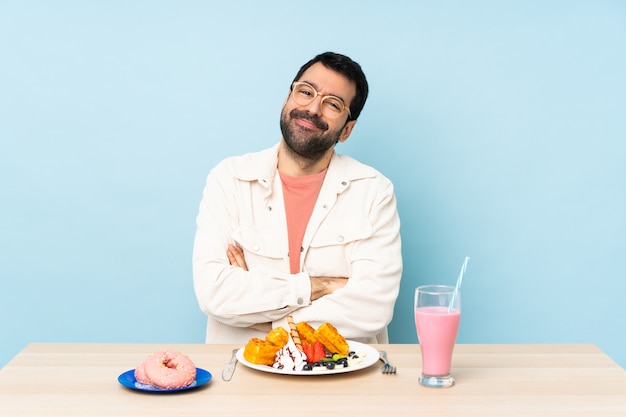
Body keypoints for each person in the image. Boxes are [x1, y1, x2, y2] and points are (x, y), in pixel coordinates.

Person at [192, 52, 402, 345]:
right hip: (242, 376)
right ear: (287, 99)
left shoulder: (373, 191)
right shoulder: (229, 179)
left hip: (340, 377)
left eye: (332, 104)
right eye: (306, 92)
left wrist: (263, 317)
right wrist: (321, 286)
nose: (313, 108)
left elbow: (372, 308)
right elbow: (215, 293)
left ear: (347, 130)